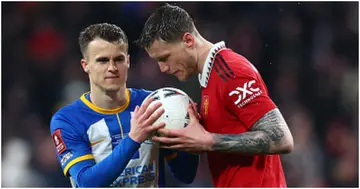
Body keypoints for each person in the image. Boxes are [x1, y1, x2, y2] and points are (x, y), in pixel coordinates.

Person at [136, 4, 294, 187]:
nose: (163, 68)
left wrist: (209, 141)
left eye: (164, 58)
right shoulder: (210, 78)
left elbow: (281, 138)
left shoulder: (232, 72)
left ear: (188, 40)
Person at [50, 23, 199, 187]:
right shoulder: (68, 120)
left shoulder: (154, 104)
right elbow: (87, 183)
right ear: (86, 66)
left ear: (128, 61)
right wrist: (133, 139)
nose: (112, 68)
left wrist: (190, 142)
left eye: (118, 59)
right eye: (103, 61)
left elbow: (186, 175)